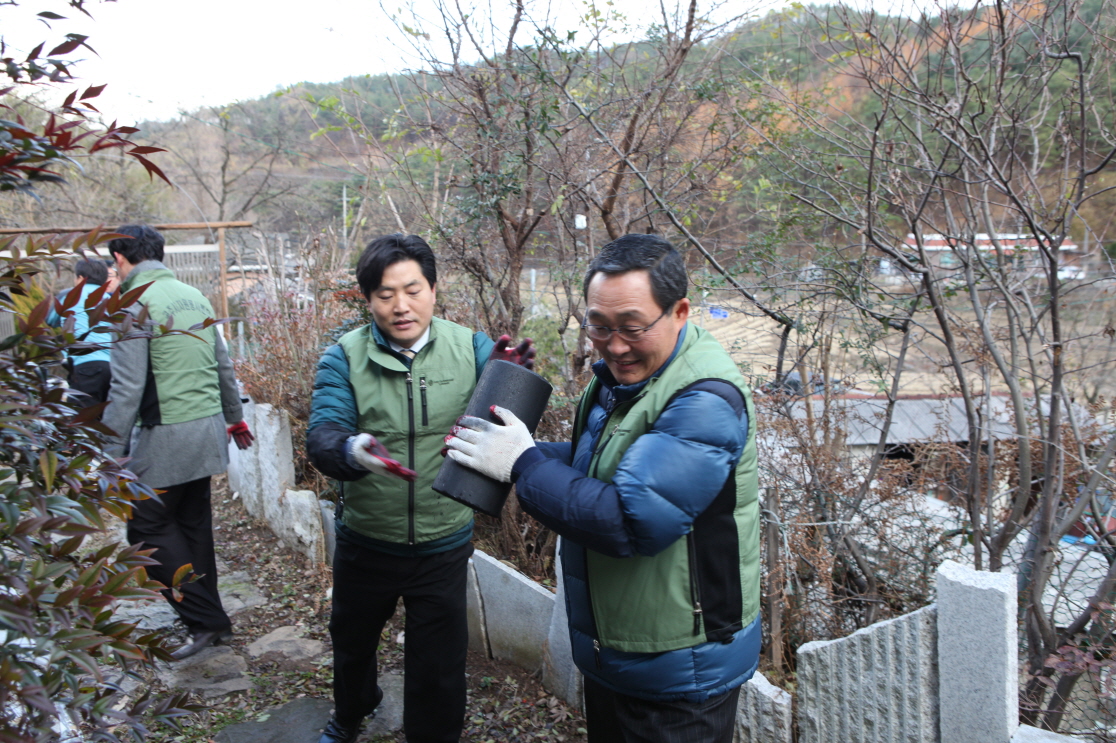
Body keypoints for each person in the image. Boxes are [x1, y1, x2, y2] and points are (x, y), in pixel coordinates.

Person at [446, 234, 761, 743]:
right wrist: (507, 451)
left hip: (680, 667)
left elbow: (629, 520)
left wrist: (524, 462)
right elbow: (611, 466)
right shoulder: (622, 379)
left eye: (632, 327)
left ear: (679, 311)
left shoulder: (703, 400)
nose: (614, 344)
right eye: (598, 325)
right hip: (621, 651)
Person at [306, 233, 534, 743]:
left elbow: (509, 415)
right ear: (368, 300)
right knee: (353, 642)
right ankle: (352, 713)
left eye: (413, 289)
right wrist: (352, 451)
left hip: (443, 541)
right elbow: (322, 434)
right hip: (368, 538)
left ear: (433, 288)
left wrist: (515, 374)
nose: (401, 306)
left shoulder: (471, 347)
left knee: (438, 660)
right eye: (385, 294)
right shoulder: (344, 357)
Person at [101, 224, 255, 661]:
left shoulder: (132, 304)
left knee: (146, 528)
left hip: (167, 434)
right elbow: (224, 366)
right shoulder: (194, 296)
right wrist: (234, 419)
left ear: (119, 259)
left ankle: (207, 620)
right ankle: (210, 622)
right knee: (191, 525)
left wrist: (110, 456)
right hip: (206, 432)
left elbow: (127, 390)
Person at [48, 257, 117, 407]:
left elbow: (50, 319)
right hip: (113, 368)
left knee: (82, 420)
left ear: (80, 278)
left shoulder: (69, 296)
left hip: (85, 366)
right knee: (107, 418)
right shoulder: (112, 301)